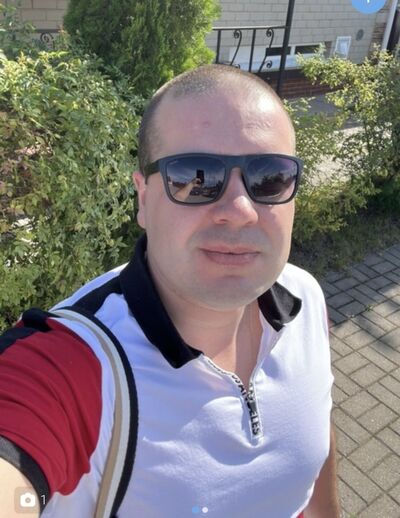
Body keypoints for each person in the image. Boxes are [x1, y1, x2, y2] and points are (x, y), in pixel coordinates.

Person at [0, 64, 340, 517]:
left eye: (270, 178)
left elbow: (315, 441)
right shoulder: (77, 366)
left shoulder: (306, 299)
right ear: (143, 198)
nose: (240, 209)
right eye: (196, 177)